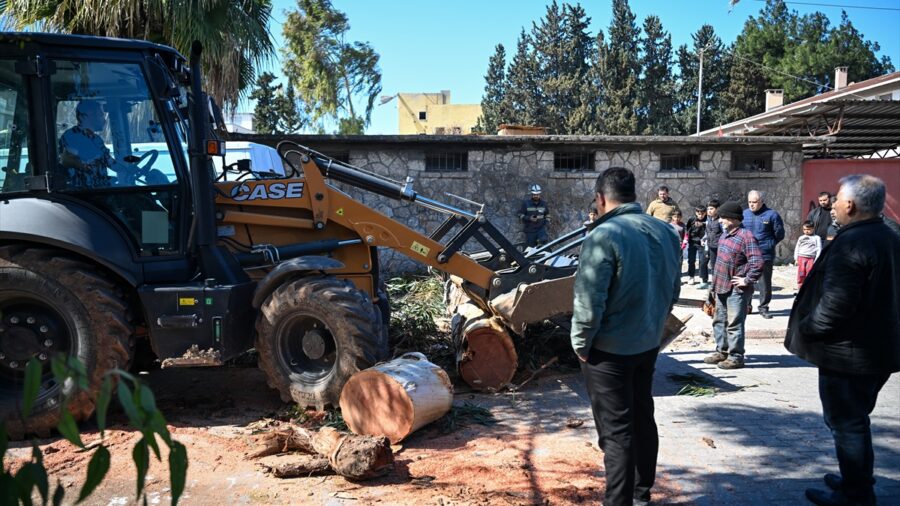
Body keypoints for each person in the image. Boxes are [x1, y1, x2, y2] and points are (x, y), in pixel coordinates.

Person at [785, 175, 900, 506]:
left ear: (850, 205)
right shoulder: (888, 233)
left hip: (850, 354)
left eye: (836, 198)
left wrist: (808, 327)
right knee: (856, 420)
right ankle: (857, 477)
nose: (833, 203)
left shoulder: (853, 242)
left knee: (847, 423)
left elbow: (837, 304)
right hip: (876, 350)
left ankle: (856, 493)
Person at [571, 167, 681, 506]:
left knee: (616, 434)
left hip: (608, 352)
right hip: (648, 343)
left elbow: (590, 301)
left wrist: (580, 345)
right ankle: (640, 493)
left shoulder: (603, 236)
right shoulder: (666, 232)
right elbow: (673, 290)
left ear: (601, 199)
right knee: (642, 417)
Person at [705, 201, 763, 370]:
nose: (720, 220)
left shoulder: (746, 236)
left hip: (736, 291)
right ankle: (722, 351)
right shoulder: (725, 235)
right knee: (719, 321)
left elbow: (757, 262)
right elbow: (719, 263)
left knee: (734, 324)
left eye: (723, 217)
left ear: (733, 218)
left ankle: (736, 356)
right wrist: (712, 287)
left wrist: (747, 280)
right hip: (721, 287)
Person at [743, 190, 785, 319]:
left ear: (761, 201)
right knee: (746, 281)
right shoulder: (744, 214)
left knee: (764, 283)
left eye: (754, 202)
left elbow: (779, 234)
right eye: (749, 202)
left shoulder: (772, 215)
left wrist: (769, 244)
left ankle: (763, 307)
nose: (752, 205)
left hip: (764, 254)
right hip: (747, 254)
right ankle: (746, 306)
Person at [58, 100, 117, 187]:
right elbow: (66, 160)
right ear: (85, 116)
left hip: (100, 189)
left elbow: (110, 162)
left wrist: (129, 169)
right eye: (100, 115)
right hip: (82, 193)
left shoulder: (97, 139)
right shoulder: (72, 136)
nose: (104, 120)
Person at [793, 221, 821, 292]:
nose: (806, 231)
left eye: (808, 229)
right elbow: (797, 248)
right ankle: (800, 288)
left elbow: (819, 249)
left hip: (811, 259)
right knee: (801, 274)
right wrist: (796, 258)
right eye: (804, 229)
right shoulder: (801, 238)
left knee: (810, 274)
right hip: (801, 258)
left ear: (813, 229)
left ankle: (809, 289)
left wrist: (817, 260)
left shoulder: (816, 238)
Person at [685, 206, 708, 286]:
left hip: (702, 243)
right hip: (692, 242)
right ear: (696, 213)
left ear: (705, 213)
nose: (701, 215)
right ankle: (691, 276)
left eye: (703, 213)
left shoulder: (707, 220)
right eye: (699, 214)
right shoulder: (691, 219)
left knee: (702, 261)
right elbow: (687, 229)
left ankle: (703, 277)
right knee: (691, 260)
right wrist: (687, 239)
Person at [703, 199, 723, 290]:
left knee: (721, 266)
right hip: (711, 246)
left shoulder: (721, 220)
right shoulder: (708, 219)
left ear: (717, 209)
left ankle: (721, 284)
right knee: (713, 265)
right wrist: (704, 239)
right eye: (708, 209)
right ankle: (715, 284)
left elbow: (725, 233)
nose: (709, 211)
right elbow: (707, 232)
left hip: (720, 247)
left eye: (711, 209)